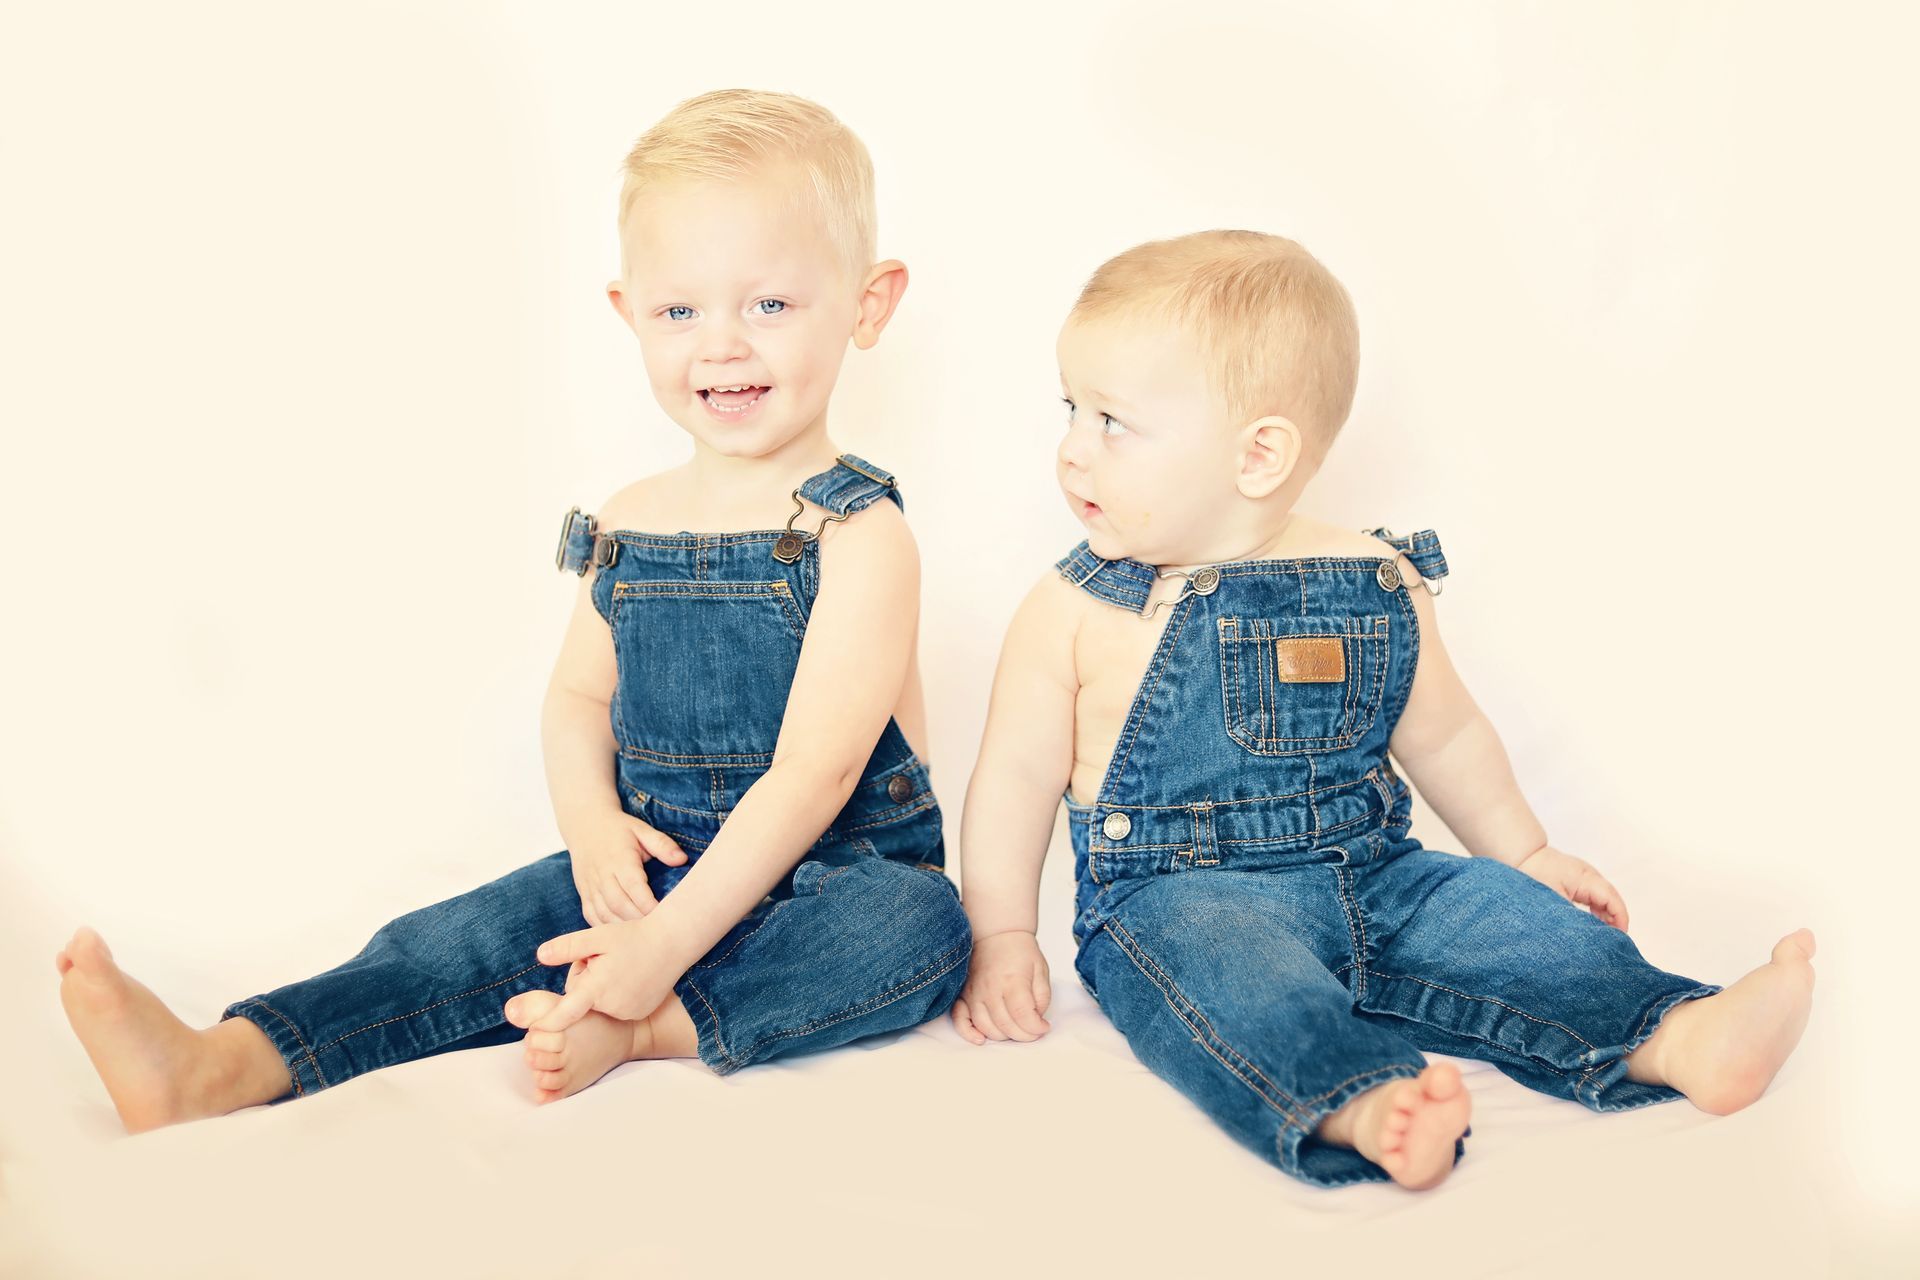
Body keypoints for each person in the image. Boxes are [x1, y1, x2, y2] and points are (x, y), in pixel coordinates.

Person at [56, 88, 970, 1131]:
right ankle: (225, 1060)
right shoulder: (629, 518)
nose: (721, 344)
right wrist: (594, 839)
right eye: (681, 310)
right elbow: (577, 698)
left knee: (917, 928)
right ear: (629, 313)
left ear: (868, 301)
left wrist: (660, 954)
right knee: (453, 936)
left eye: (768, 304)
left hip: (826, 870)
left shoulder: (860, 532)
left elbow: (820, 770)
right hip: (657, 852)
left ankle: (648, 1023)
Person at [950, 229, 1815, 1190]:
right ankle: (1362, 1103)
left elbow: (1444, 732)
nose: (1071, 452)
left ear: (1260, 453)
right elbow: (1013, 778)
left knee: (1505, 926)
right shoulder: (1078, 606)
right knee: (1234, 983)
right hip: (1179, 891)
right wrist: (1003, 936)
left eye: (1112, 421)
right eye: (1071, 409)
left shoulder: (1376, 578)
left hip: (1378, 871)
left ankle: (1676, 1033)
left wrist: (1522, 857)